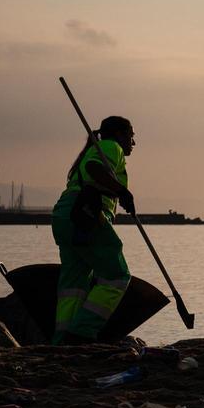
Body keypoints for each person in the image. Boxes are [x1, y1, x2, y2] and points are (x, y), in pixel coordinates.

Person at [50, 116, 137, 344]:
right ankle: (82, 333)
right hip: (86, 216)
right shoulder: (111, 146)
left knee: (74, 284)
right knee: (116, 276)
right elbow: (94, 168)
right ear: (119, 134)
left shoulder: (94, 148)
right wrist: (122, 191)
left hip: (64, 215)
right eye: (131, 135)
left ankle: (63, 340)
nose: (133, 142)